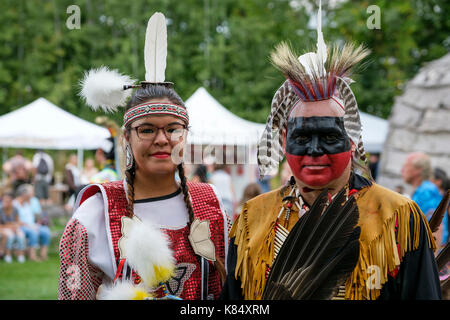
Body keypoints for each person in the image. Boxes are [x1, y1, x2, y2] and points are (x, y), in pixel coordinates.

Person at [222, 5, 441, 300]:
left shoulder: (399, 218)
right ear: (285, 140)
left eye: (329, 136)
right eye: (302, 137)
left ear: (352, 141)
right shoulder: (252, 220)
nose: (314, 151)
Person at [58, 12, 228, 300]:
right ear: (127, 138)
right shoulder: (95, 213)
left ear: (185, 135)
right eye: (147, 130)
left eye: (173, 129)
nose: (162, 140)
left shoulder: (212, 205)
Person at [401, 153, 448, 249]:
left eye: (406, 166)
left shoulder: (426, 192)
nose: (402, 170)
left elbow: (437, 228)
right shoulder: (423, 190)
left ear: (418, 170)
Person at [14, 184, 51, 261]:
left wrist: (37, 224)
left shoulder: (27, 203)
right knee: (33, 232)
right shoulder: (15, 204)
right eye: (30, 193)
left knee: (46, 231)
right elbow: (15, 220)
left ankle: (43, 254)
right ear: (24, 194)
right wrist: (30, 226)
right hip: (21, 226)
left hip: (32, 225)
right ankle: (32, 255)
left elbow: (34, 217)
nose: (32, 194)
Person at [0, 191, 26, 263]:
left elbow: (18, 221)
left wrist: (16, 226)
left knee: (21, 235)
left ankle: (21, 255)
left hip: (13, 227)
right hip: (3, 228)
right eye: (4, 201)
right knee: (10, 236)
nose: (6, 202)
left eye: (8, 201)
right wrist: (10, 226)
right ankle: (8, 255)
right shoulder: (1, 210)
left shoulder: (15, 209)